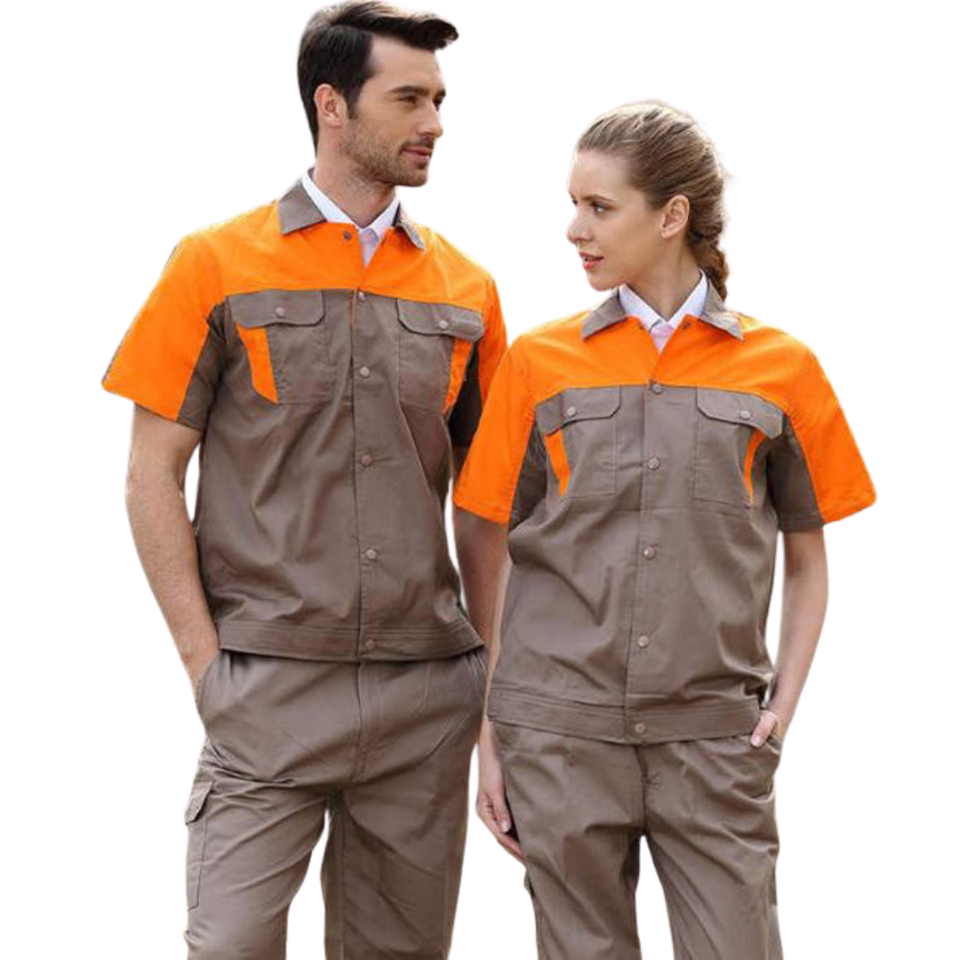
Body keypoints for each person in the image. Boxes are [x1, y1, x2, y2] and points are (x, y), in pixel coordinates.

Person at [101, 3, 507, 957]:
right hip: (266, 689)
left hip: (424, 697)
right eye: (408, 99)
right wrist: (206, 667)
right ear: (332, 105)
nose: (434, 123)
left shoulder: (468, 289)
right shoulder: (213, 264)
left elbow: (489, 508)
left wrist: (491, 682)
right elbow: (151, 474)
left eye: (439, 100)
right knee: (230, 944)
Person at [452, 100, 876, 959]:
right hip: (562, 739)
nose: (575, 229)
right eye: (573, 204)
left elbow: (808, 557)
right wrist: (495, 731)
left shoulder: (782, 368)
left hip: (713, 743)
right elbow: (497, 548)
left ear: (672, 215)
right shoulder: (538, 362)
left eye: (599, 207)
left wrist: (783, 706)